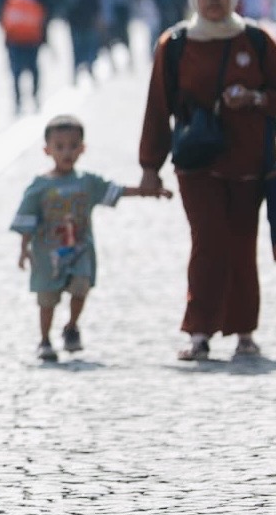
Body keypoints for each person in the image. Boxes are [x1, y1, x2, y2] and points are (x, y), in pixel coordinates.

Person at [139, 0, 276, 361]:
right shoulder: (174, 45)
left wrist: (254, 98)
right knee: (207, 242)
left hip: (248, 161)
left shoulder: (256, 41)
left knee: (242, 243)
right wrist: (149, 167)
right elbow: (158, 107)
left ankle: (244, 330)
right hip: (197, 163)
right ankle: (200, 331)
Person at [12, 115, 171, 362]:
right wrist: (24, 249)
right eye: (60, 146)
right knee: (47, 299)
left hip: (80, 249)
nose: (67, 152)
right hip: (47, 253)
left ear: (83, 148)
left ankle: (72, 326)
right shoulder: (40, 186)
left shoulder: (87, 183)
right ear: (47, 150)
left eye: (73, 146)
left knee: (81, 286)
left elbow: (115, 191)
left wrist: (147, 191)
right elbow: (26, 219)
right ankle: (44, 339)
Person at [0, 0, 53, 114]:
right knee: (16, 71)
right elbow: (0, 6)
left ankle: (35, 96)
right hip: (14, 35)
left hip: (33, 35)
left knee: (33, 69)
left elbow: (48, 2)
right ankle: (17, 100)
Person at [61, 0, 103, 85]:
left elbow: (61, 1)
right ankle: (89, 68)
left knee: (77, 48)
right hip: (87, 20)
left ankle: (76, 72)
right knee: (89, 47)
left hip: (75, 21)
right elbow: (96, 2)